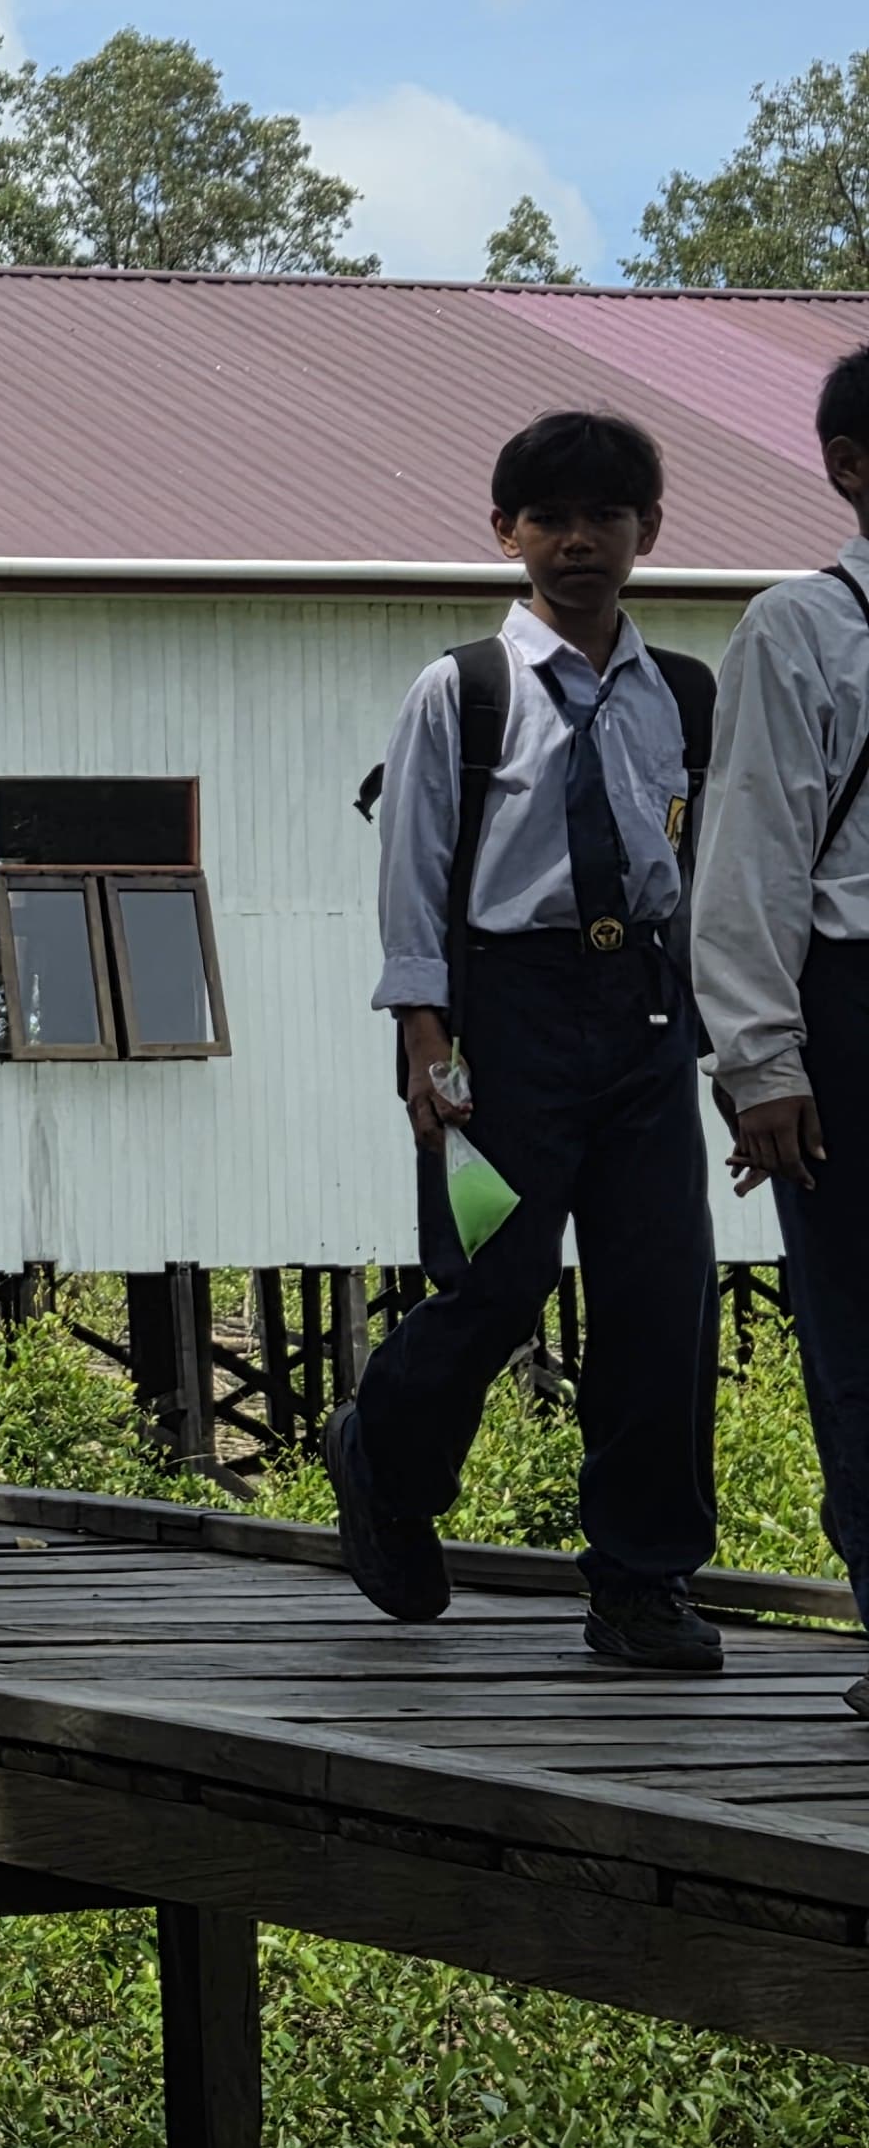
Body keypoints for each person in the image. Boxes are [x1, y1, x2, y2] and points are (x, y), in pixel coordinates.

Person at [337, 410, 722, 1669]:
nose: (577, 543)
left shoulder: (682, 693)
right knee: (494, 1285)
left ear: (647, 533)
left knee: (660, 1306)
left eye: (605, 519)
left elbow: (701, 865)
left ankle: (640, 1581)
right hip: (504, 1020)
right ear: (503, 531)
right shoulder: (463, 690)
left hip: (646, 1020)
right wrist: (424, 1039)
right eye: (549, 519)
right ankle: (385, 1462)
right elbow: (414, 872)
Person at [689, 351, 869, 1722]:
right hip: (853, 1003)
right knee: (859, 1328)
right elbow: (751, 852)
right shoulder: (803, 627)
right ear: (849, 468)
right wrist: (761, 1060)